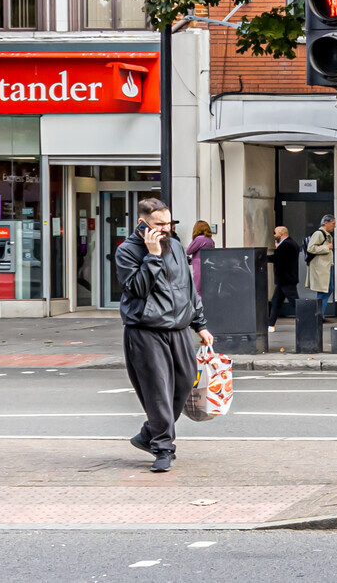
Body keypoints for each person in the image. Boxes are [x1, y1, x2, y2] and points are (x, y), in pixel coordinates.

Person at [117, 198, 212, 473]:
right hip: (145, 330)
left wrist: (201, 325)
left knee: (183, 386)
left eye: (169, 223)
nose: (166, 229)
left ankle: (149, 433)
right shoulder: (127, 251)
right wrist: (153, 255)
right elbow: (136, 288)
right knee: (157, 391)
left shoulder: (178, 246)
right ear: (142, 223)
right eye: (159, 224)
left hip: (178, 328)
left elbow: (188, 290)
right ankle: (162, 447)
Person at [266, 224, 300, 333]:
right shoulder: (290, 244)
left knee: (295, 302)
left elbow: (278, 258)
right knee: (276, 302)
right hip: (285, 279)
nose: (274, 235)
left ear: (281, 234)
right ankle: (270, 325)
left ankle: (307, 320)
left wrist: (263, 258)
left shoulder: (286, 245)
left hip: (286, 279)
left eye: (275, 233)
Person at [302, 215, 334, 321]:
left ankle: (320, 314)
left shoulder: (326, 234)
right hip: (321, 268)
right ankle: (319, 315)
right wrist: (326, 247)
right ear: (326, 222)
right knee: (323, 290)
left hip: (327, 266)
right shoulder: (318, 234)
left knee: (328, 289)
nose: (334, 226)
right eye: (333, 223)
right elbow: (311, 248)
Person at [187, 221, 215, 296]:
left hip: (199, 266)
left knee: (197, 288)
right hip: (208, 265)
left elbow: (188, 251)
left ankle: (198, 306)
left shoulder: (199, 239)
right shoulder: (210, 240)